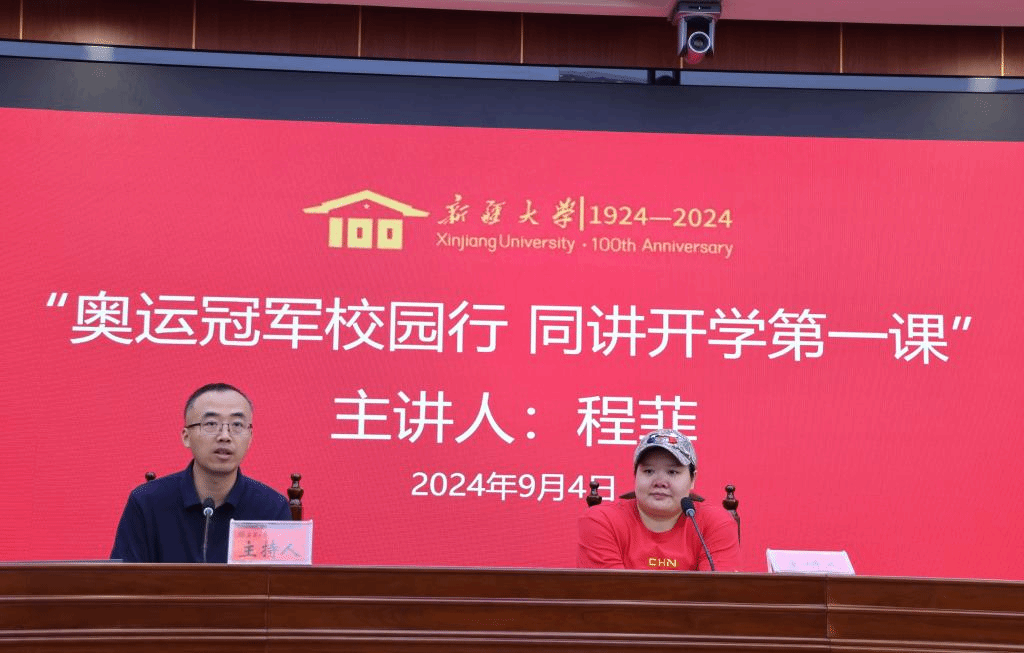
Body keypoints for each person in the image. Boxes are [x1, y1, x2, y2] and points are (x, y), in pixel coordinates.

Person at [110, 382, 291, 563]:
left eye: (237, 424)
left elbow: (284, 579)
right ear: (186, 437)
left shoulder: (272, 509)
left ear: (250, 437)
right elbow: (122, 578)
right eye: (211, 424)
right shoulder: (146, 503)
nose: (225, 436)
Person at [577, 428, 739, 570]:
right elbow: (607, 591)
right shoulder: (602, 521)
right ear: (635, 475)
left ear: (692, 479)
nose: (660, 482)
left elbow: (717, 592)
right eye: (649, 471)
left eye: (672, 472)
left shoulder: (715, 524)